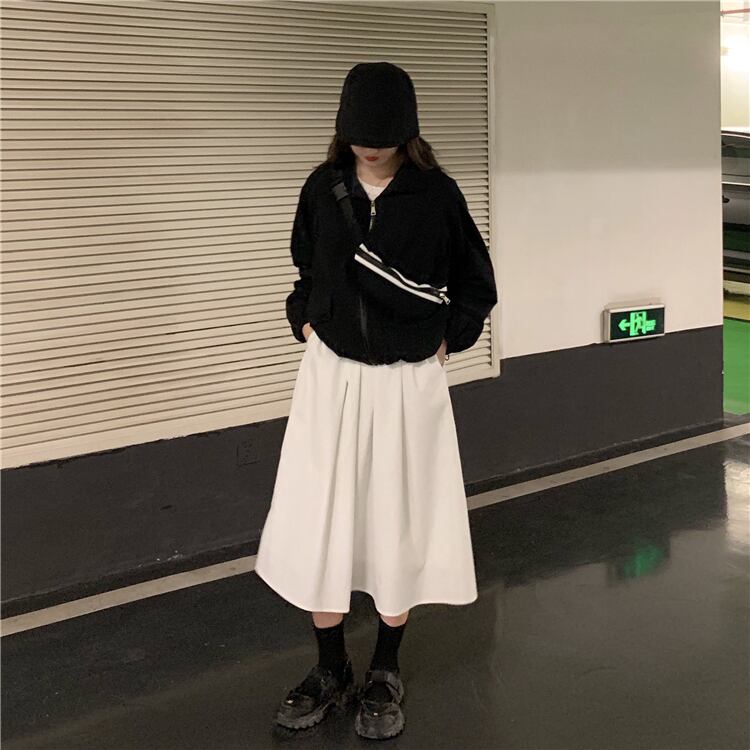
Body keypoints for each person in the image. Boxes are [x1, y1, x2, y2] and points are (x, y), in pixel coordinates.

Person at [254, 61, 498, 741]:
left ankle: (385, 668)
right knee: (320, 516)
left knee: (398, 516)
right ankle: (330, 667)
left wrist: (447, 340)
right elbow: (305, 267)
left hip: (404, 381)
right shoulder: (323, 186)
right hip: (331, 377)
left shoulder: (436, 195)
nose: (370, 148)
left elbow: (476, 282)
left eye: (383, 137)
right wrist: (305, 321)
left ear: (407, 133)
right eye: (360, 135)